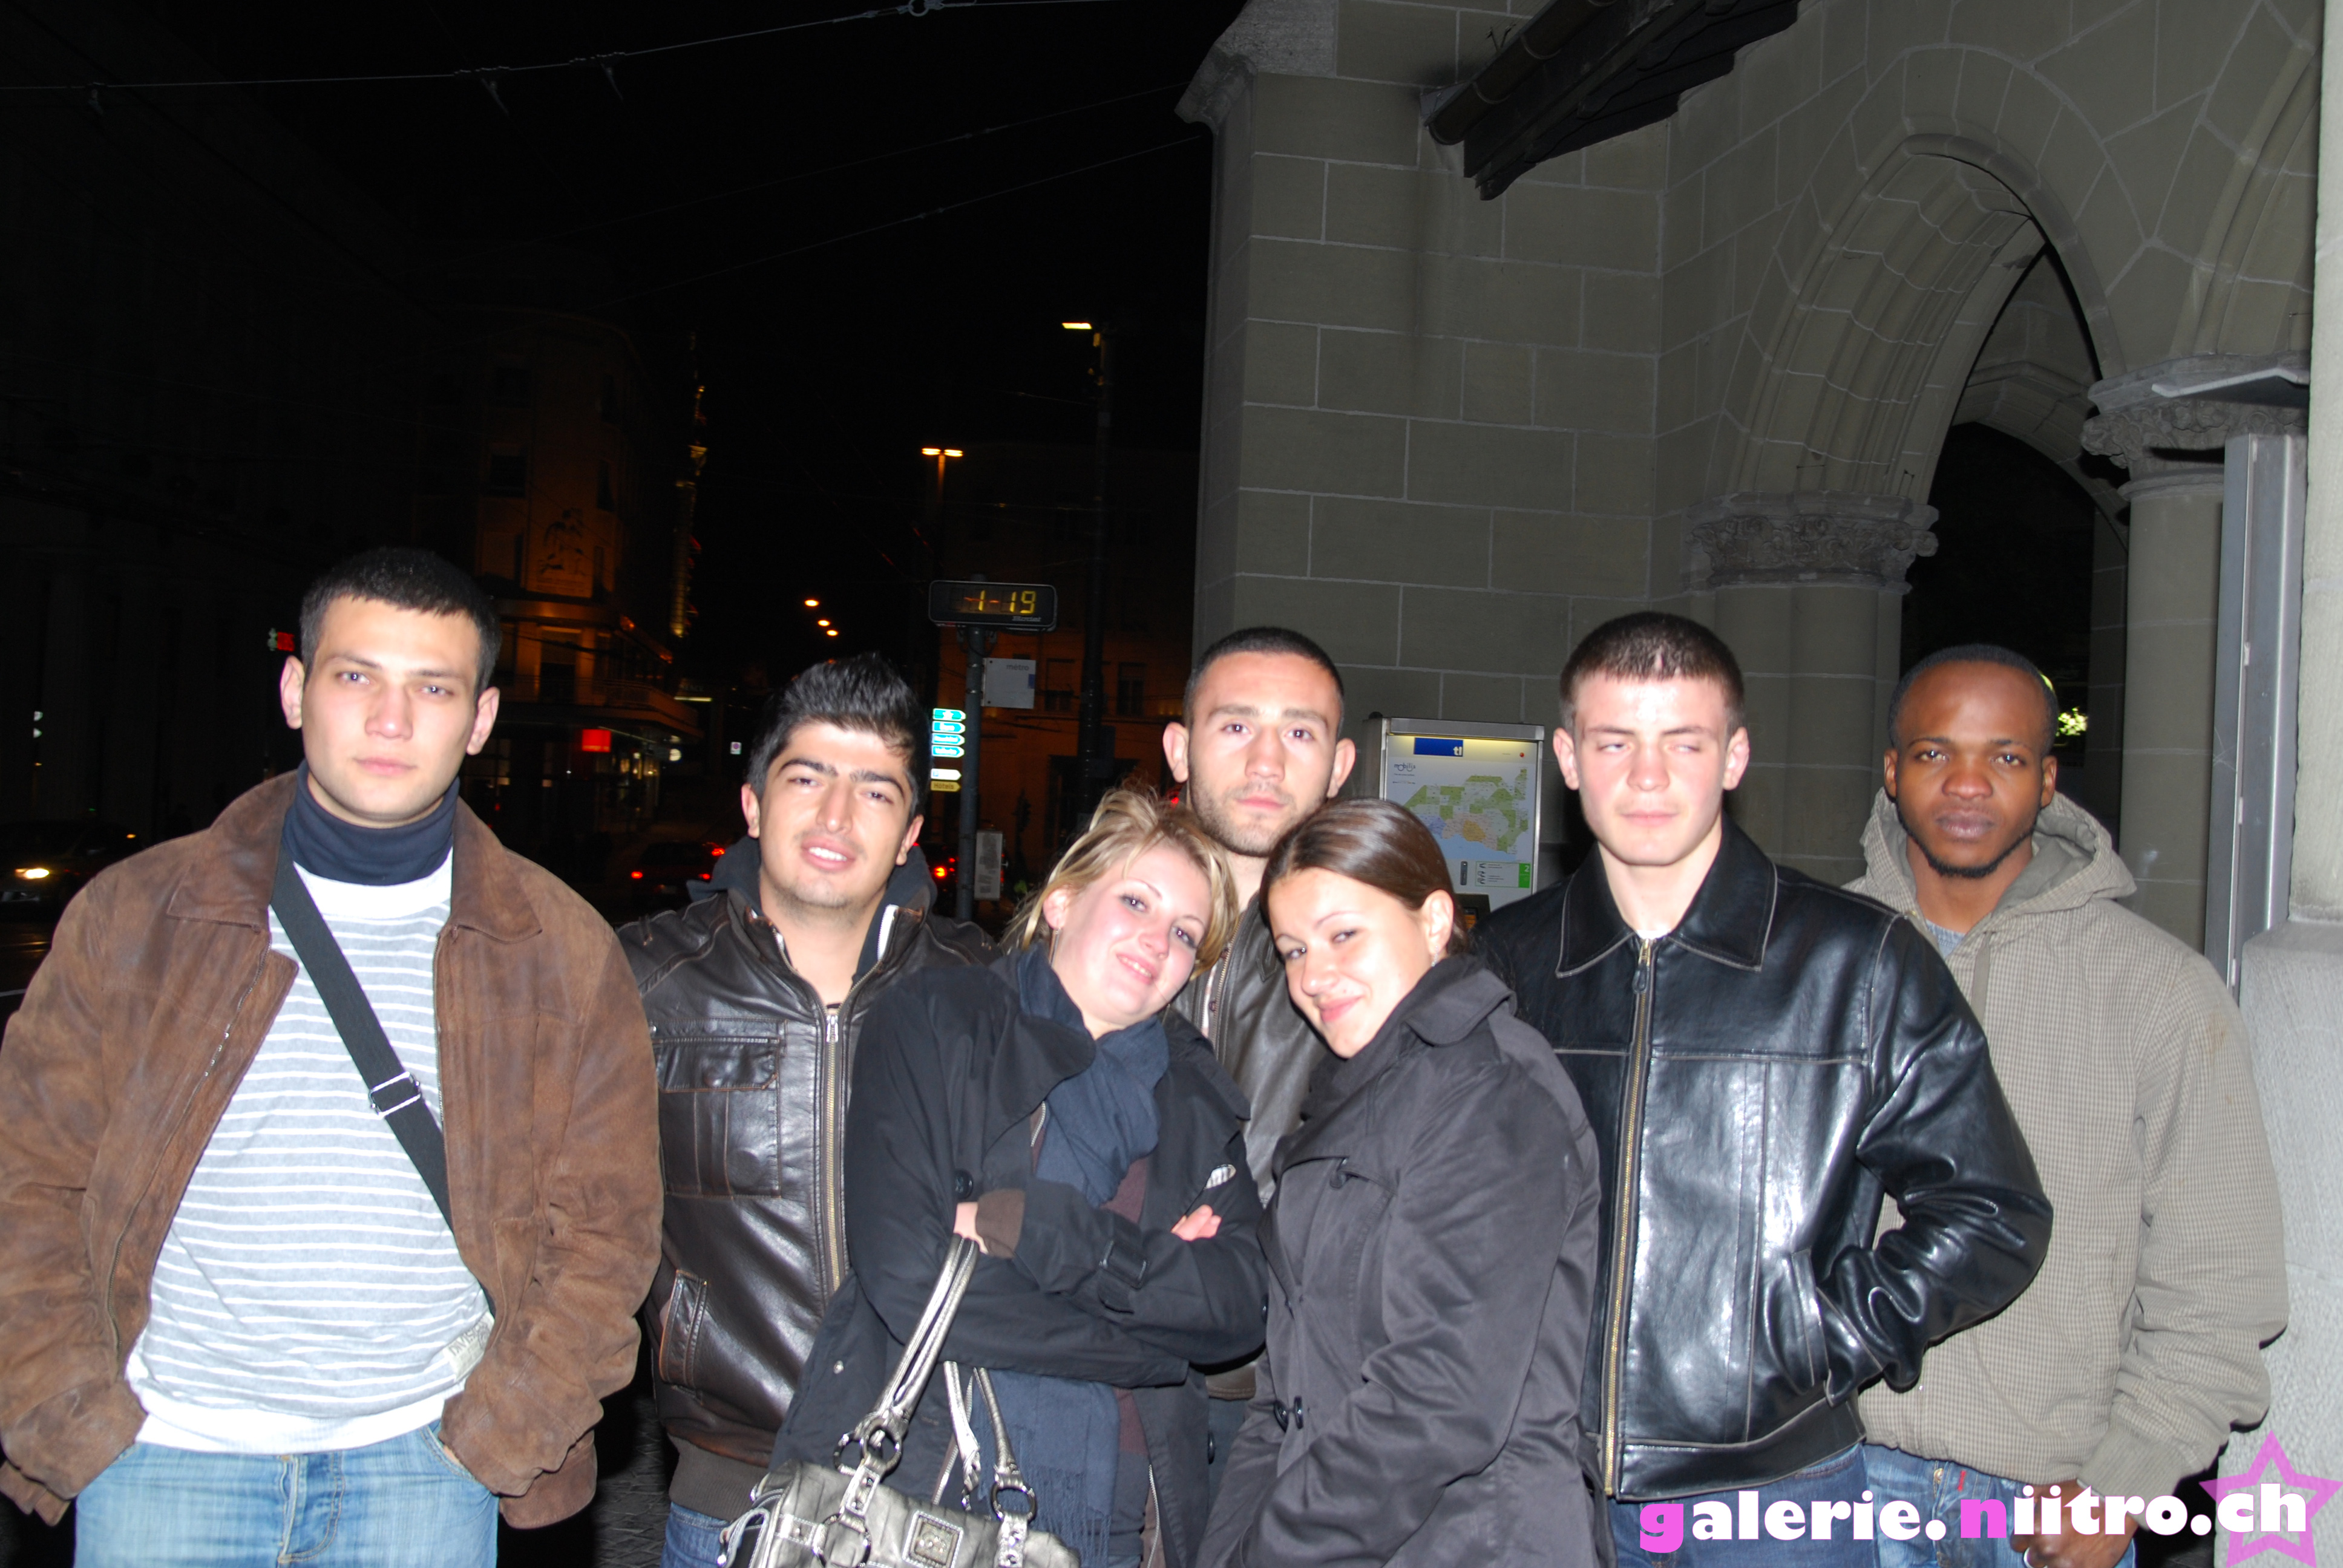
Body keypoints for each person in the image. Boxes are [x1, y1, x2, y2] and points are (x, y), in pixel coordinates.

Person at [0, 548, 661, 1566]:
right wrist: (68, 1410)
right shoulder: (137, 915)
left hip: (423, 1464)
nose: (390, 720)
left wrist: (506, 1429)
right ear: (295, 690)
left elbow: (607, 1232)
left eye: (432, 688)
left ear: (480, 719)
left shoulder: (559, 948)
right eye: (357, 677)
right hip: (163, 1456)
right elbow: (28, 1180)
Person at [1476, 612, 2051, 1568]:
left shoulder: (1856, 963)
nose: (1648, 778)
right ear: (1569, 759)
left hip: (1774, 1496)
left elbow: (1993, 1211)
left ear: (1734, 758)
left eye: (1684, 743)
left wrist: (1815, 1343)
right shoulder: (1507, 961)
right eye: (1615, 743)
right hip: (1544, 1484)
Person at [1850, 645, 2286, 1568]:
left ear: (2048, 782)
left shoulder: (2159, 991)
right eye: (1935, 752)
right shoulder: (1814, 962)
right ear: (1892, 772)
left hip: (2045, 1505)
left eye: (2005, 757)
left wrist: (2127, 1481)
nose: (1968, 783)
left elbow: (2218, 1280)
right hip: (1830, 1485)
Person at [776, 788, 1268, 1568]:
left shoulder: (1193, 1094)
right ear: (1062, 903)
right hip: (925, 1502)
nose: (1156, 941)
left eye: (1183, 932)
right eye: (1135, 901)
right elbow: (909, 1280)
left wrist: (1044, 1232)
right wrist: (1150, 1345)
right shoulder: (939, 1021)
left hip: (1125, 1526)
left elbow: (1240, 1306)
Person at [620, 655, 994, 1568]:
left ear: (909, 834)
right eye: (807, 779)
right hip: (732, 1494)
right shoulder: (641, 983)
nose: (836, 816)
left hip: (939, 1491)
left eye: (874, 791)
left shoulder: (984, 990)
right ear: (753, 804)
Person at [1198, 799, 1603, 1568]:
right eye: (1291, 951)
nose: (1313, 976)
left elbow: (1437, 1399)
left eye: (1343, 935)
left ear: (1433, 921)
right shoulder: (1353, 1094)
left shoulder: (1490, 1093)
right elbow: (1283, 1399)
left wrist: (1266, 1554)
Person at [1161, 626, 1354, 1480]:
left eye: (1298, 733)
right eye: (1236, 726)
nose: (1266, 762)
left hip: (1299, 1395)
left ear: (1339, 765)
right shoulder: (1099, 924)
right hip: (1112, 1371)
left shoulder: (1381, 956)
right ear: (1180, 749)